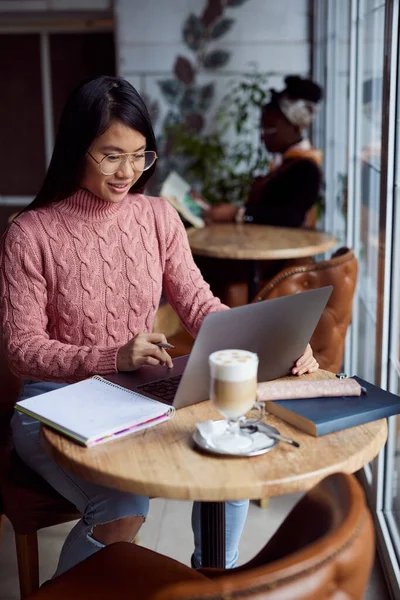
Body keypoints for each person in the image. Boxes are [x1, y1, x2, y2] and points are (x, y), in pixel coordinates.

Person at [0, 75, 319, 577]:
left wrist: (273, 344)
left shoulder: (157, 217)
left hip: (135, 394)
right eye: (111, 155)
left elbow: (197, 302)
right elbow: (21, 349)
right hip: (51, 406)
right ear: (76, 148)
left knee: (230, 463)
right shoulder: (30, 233)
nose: (128, 170)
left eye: (140, 154)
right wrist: (112, 356)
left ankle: (211, 582)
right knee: (124, 509)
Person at [203, 75, 323, 228]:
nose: (263, 136)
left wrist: (237, 213)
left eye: (269, 129)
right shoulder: (287, 163)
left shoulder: (306, 169)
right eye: (262, 129)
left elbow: (290, 218)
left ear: (295, 127)